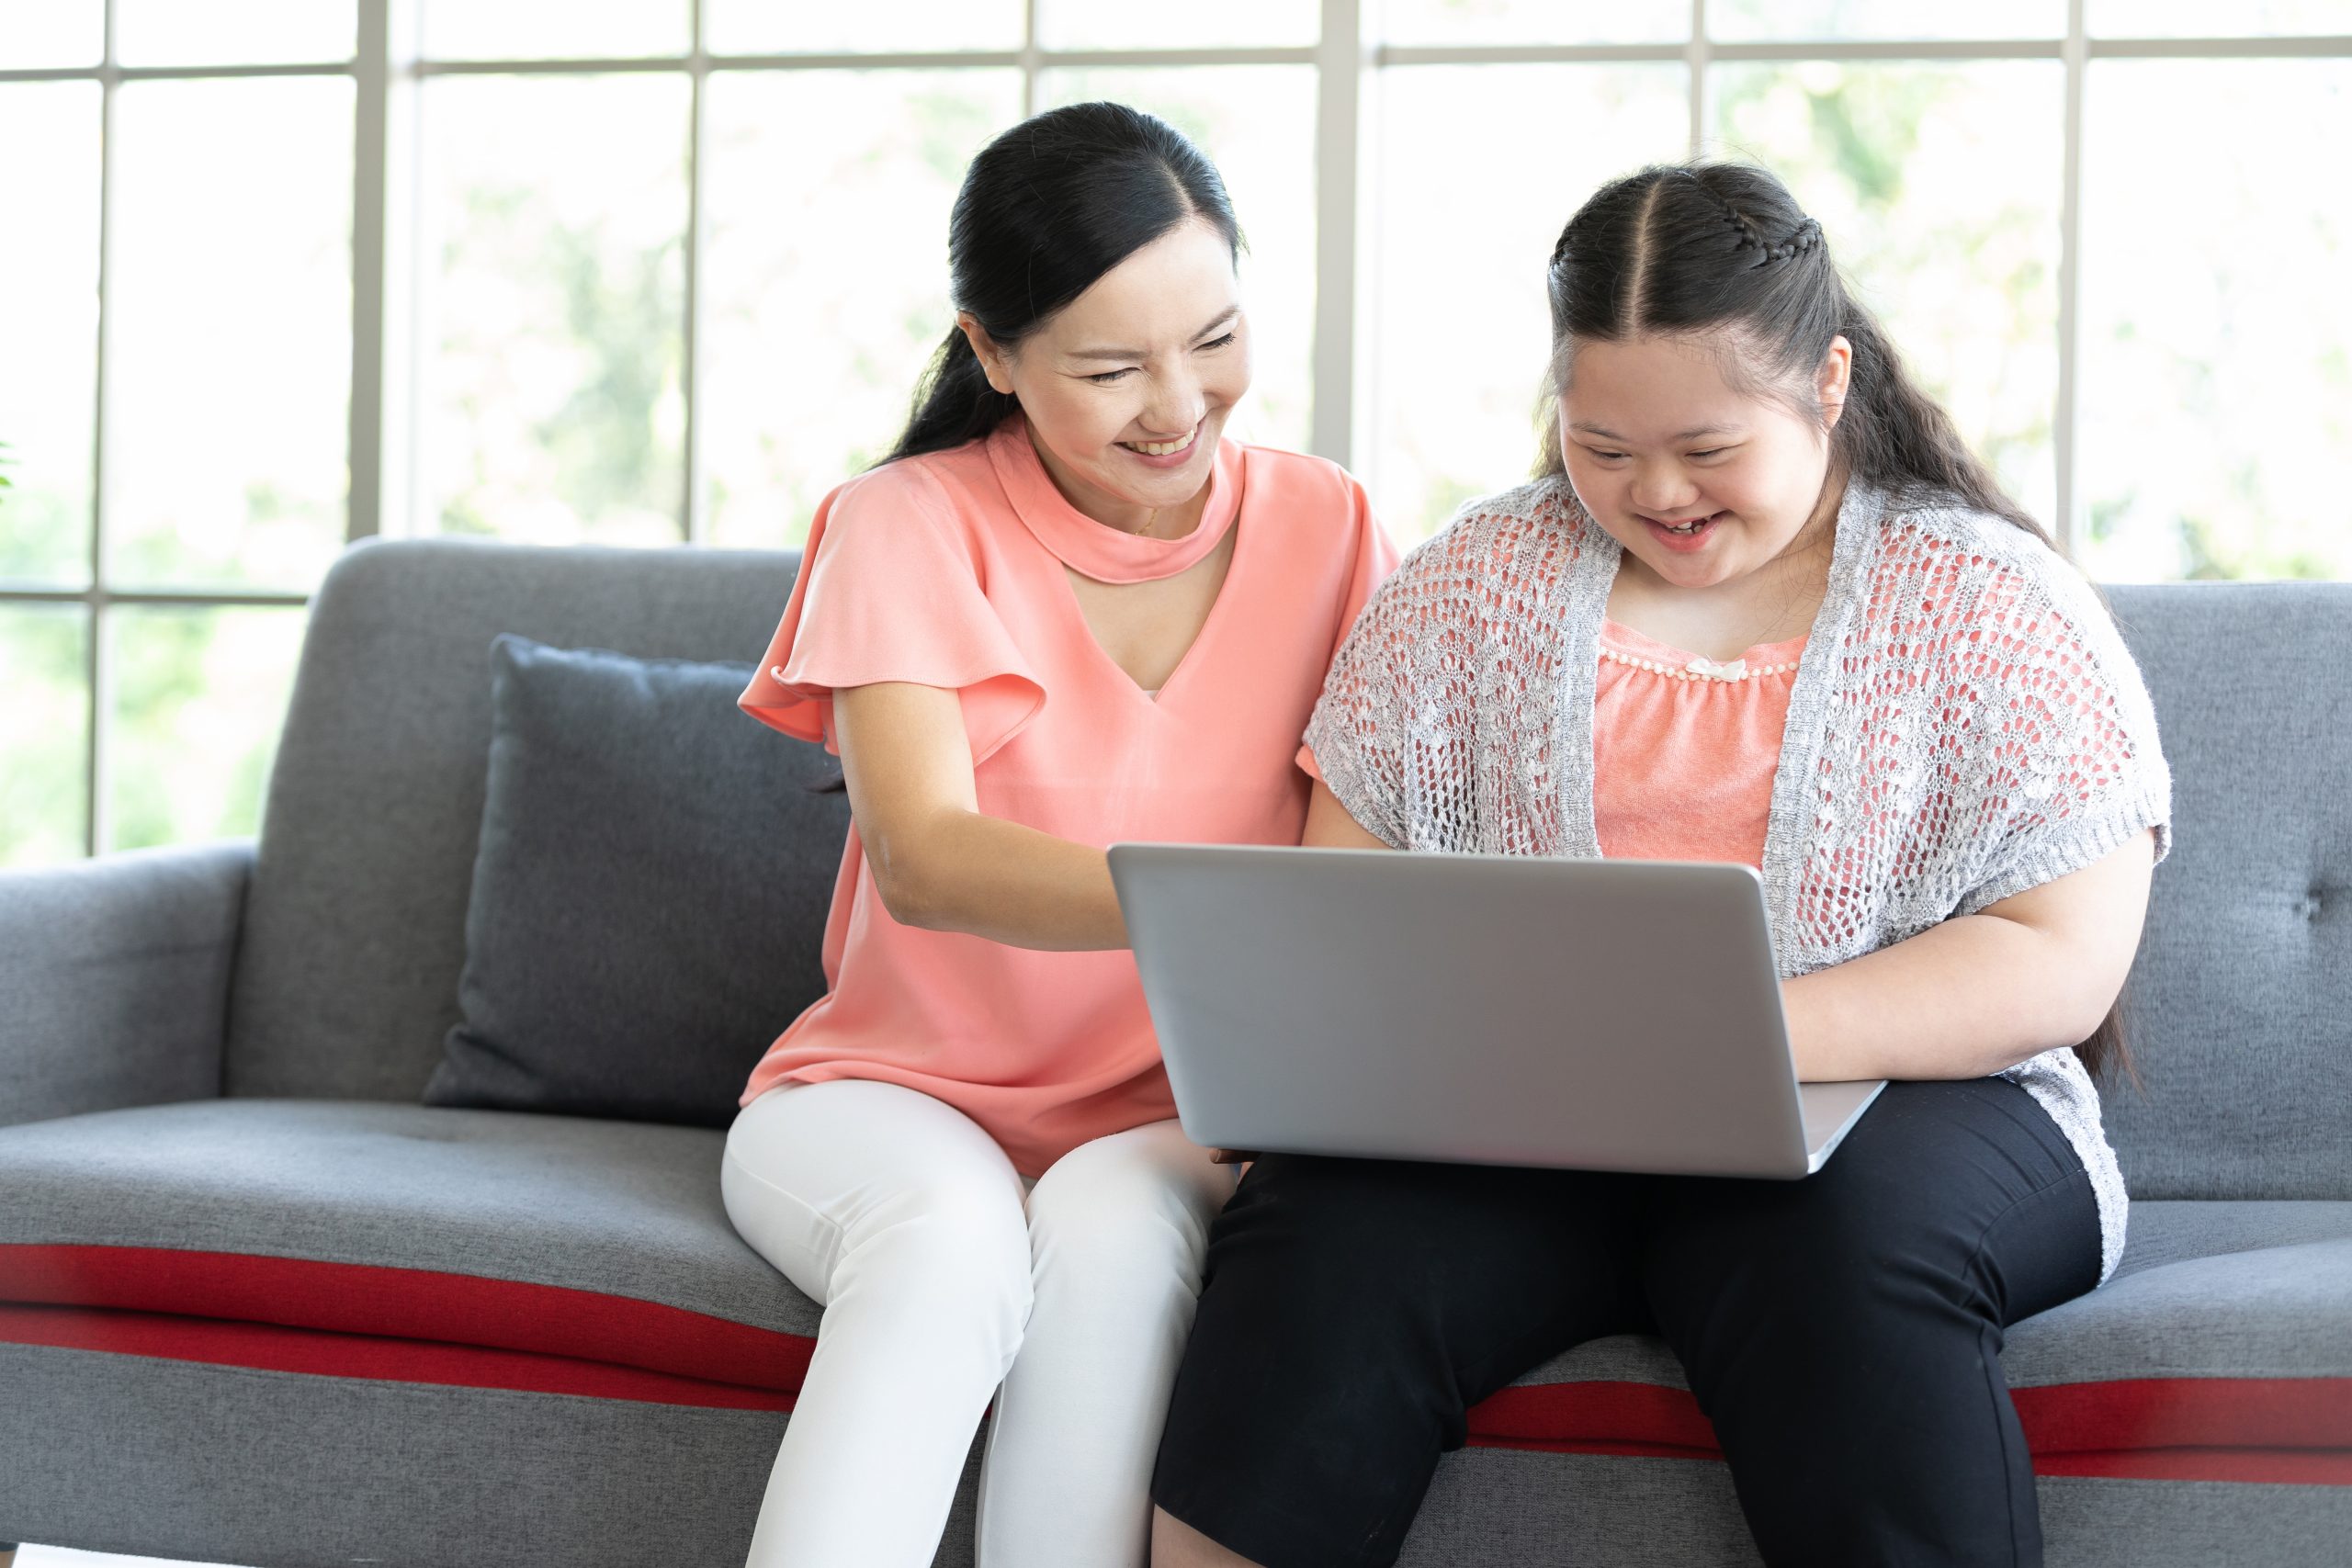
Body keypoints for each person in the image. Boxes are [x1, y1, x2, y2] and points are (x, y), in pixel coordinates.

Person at [1148, 161, 2171, 1568]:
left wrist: (1726, 1044)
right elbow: (1357, 893)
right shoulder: (1475, 582)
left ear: (1824, 383)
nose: (1658, 492)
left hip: (1917, 1107)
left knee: (1833, 1262)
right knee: (1321, 1248)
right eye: (1604, 447)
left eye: (1707, 444)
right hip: (1526, 1116)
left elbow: (2060, 952)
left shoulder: (1988, 599)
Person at [720, 101, 1397, 1568]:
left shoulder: (1332, 527)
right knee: (945, 1245)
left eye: (1215, 339)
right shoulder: (902, 522)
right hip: (889, 1094)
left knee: (1100, 1242)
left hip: (1184, 1118)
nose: (1179, 402)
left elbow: (1364, 876)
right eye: (1109, 366)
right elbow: (925, 855)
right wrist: (1233, 907)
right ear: (993, 354)